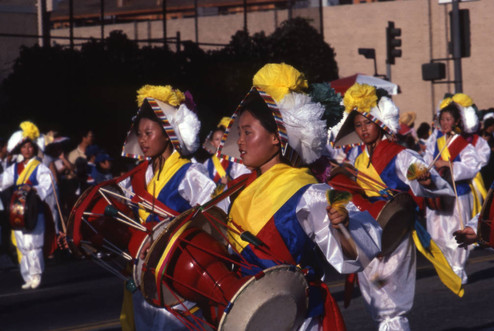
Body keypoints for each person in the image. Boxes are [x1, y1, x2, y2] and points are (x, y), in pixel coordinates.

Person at [217, 64, 383, 330]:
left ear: (276, 136)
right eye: (240, 133)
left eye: (248, 132)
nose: (240, 141)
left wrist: (343, 227)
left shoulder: (309, 191)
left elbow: (358, 253)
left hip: (296, 315)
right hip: (248, 313)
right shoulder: (237, 189)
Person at [331, 83, 456, 331]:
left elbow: (417, 172)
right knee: (376, 300)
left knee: (391, 301)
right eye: (358, 125)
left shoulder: (400, 155)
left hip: (395, 231)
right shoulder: (358, 159)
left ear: (379, 122)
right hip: (367, 232)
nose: (363, 129)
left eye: (367, 123)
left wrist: (426, 179)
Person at [119, 84, 216, 330]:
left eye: (148, 133)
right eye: (139, 134)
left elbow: (214, 222)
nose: (142, 140)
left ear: (168, 132)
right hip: (142, 276)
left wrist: (171, 236)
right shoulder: (136, 177)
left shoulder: (191, 173)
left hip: (177, 277)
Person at [424, 94, 482, 284]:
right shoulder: (435, 140)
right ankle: (447, 266)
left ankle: (458, 268)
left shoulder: (461, 143)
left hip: (458, 195)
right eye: (442, 120)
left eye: (448, 119)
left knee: (457, 232)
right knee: (437, 233)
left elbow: (472, 166)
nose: (445, 123)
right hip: (439, 194)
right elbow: (425, 160)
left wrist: (449, 165)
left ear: (456, 121)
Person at [0, 121, 56, 289]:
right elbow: (3, 182)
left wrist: (34, 188)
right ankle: (27, 276)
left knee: (34, 244)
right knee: (22, 244)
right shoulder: (14, 168)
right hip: (18, 210)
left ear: (34, 148)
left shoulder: (39, 167)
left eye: (30, 147)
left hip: (33, 209)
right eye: (23, 148)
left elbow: (48, 183)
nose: (27, 150)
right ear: (20, 149)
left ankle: (36, 274)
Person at [202, 117, 250, 193]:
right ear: (212, 143)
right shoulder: (208, 162)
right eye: (217, 139)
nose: (220, 141)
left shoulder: (234, 158)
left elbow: (241, 178)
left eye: (222, 138)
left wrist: (229, 182)